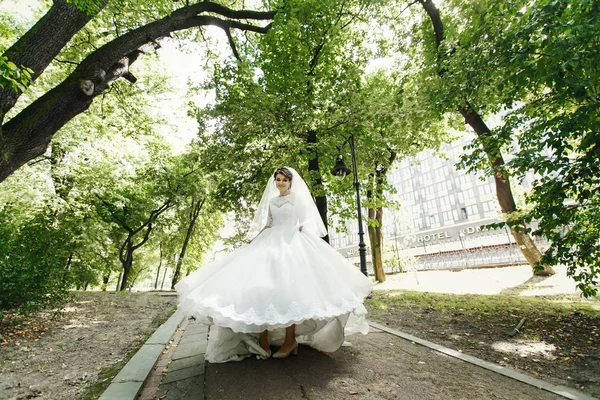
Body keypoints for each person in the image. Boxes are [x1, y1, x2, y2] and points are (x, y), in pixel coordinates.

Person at [175, 167, 373, 362]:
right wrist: (255, 240)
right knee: (261, 289)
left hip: (290, 243)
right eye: (277, 180)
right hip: (269, 242)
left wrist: (303, 243)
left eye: (284, 180)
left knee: (288, 291)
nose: (280, 183)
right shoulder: (272, 201)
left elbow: (304, 222)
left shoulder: (298, 200)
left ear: (290, 182)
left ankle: (289, 341)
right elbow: (268, 224)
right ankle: (263, 338)